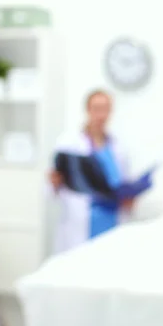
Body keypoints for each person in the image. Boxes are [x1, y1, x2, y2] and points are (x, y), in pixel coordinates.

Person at [48, 89, 134, 254]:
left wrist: (130, 197)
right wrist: (54, 183)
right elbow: (53, 189)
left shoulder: (118, 146)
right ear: (87, 110)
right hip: (80, 222)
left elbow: (123, 182)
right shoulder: (69, 143)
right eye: (96, 109)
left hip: (112, 221)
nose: (101, 115)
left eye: (105, 109)